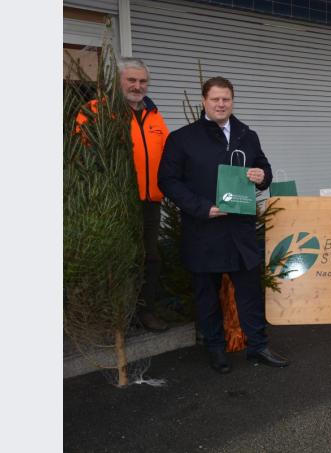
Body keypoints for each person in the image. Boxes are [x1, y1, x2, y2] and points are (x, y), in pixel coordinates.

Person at [158, 76, 289, 373]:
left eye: (226, 99)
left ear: (232, 101)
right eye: (215, 99)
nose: (221, 104)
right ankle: (216, 349)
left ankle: (258, 346)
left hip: (240, 231)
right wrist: (201, 208)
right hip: (203, 230)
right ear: (204, 101)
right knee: (207, 296)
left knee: (250, 293)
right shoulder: (182, 138)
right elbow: (167, 181)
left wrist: (261, 176)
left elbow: (264, 168)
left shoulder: (247, 135)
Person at [76, 57, 170, 332]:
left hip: (150, 202)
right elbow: (79, 157)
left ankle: (145, 311)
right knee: (116, 259)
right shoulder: (96, 112)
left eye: (142, 81)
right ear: (117, 81)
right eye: (131, 80)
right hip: (112, 204)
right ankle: (115, 318)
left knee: (149, 258)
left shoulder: (154, 116)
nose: (137, 86)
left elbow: (168, 156)